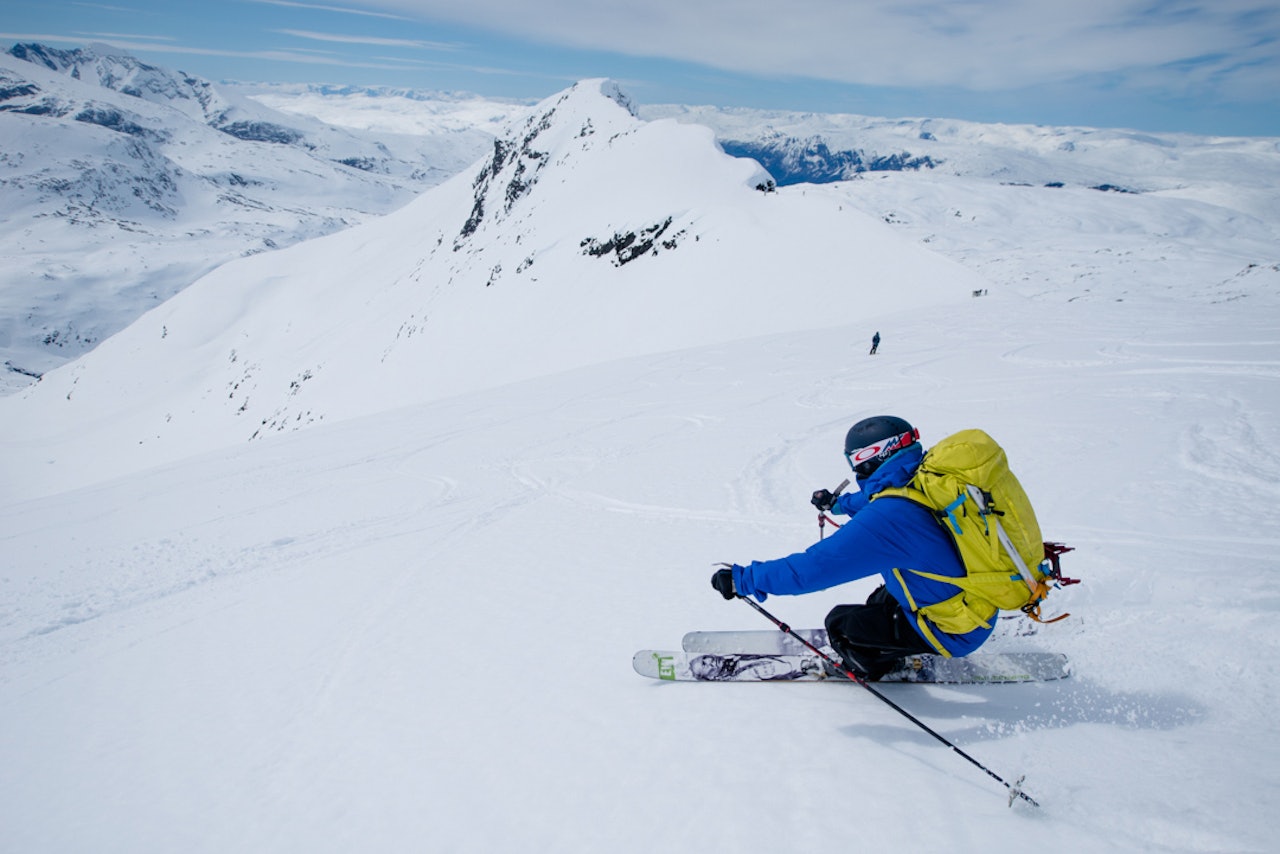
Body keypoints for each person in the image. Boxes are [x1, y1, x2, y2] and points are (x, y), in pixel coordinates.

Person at [710, 415, 993, 680]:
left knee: (841, 625)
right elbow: (876, 497)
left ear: (872, 456)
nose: (854, 466)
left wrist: (743, 579)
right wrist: (836, 505)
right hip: (975, 601)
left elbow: (813, 569)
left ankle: (879, 666)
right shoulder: (924, 479)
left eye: (855, 458)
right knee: (879, 600)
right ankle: (892, 640)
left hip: (952, 629)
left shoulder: (890, 519)